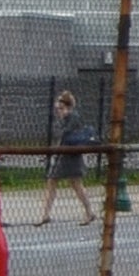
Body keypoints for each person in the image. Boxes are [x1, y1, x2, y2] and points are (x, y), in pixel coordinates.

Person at [36, 90, 94, 227]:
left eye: (61, 109)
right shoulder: (68, 119)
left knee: (74, 183)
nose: (59, 112)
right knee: (55, 181)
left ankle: (89, 212)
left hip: (69, 155)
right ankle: (45, 214)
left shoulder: (72, 118)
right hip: (65, 154)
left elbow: (66, 135)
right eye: (58, 109)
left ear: (68, 107)